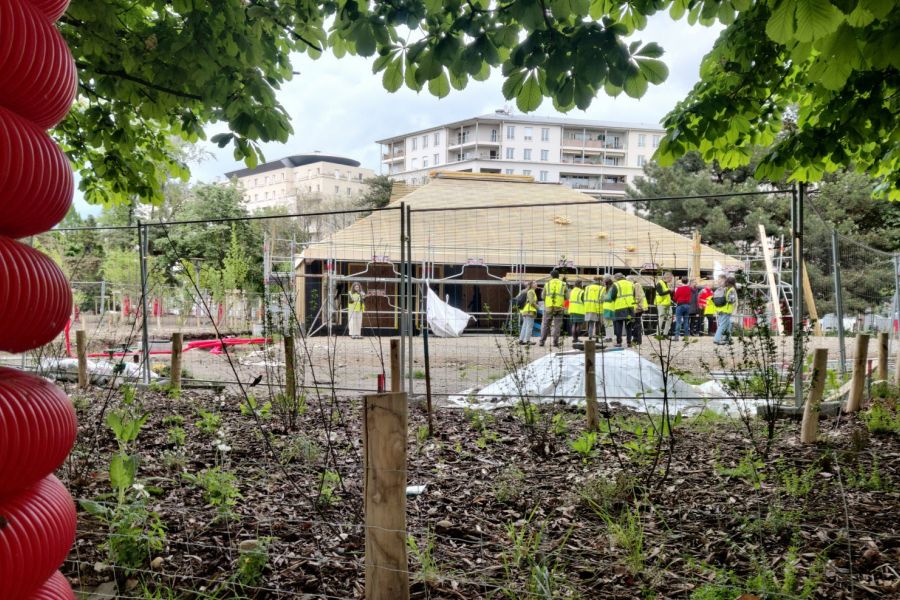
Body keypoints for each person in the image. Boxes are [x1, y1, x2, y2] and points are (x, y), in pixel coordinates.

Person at [539, 270, 566, 348]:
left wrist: (548, 300)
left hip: (549, 307)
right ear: (558, 276)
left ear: (551, 276)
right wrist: (565, 306)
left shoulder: (547, 284)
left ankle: (542, 341)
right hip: (559, 308)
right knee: (557, 326)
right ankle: (555, 342)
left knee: (545, 324)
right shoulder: (563, 284)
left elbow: (542, 296)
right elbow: (567, 297)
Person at [608, 273, 635, 347]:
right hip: (630, 307)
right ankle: (629, 342)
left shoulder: (616, 284)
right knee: (629, 325)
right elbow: (634, 295)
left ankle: (619, 342)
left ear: (617, 278)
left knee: (619, 325)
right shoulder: (631, 284)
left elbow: (612, 296)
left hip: (619, 307)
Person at [713, 276, 739, 345]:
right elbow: (731, 300)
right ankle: (717, 339)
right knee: (723, 325)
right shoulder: (731, 289)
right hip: (727, 310)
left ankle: (727, 338)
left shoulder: (725, 288)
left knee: (728, 325)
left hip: (721, 309)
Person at [672, 276, 693, 341]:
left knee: (678, 321)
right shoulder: (690, 289)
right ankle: (686, 337)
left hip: (680, 305)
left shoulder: (679, 289)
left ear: (681, 281)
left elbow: (675, 298)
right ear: (687, 281)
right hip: (687, 305)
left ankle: (676, 337)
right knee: (686, 322)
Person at [654, 272, 674, 337]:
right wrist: (669, 291)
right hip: (661, 304)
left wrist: (671, 291)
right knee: (661, 318)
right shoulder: (659, 283)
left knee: (670, 318)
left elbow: (667, 294)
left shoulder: (666, 284)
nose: (671, 280)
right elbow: (661, 293)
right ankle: (658, 334)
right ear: (667, 277)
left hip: (667, 304)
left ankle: (665, 333)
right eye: (671, 278)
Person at [630, 276, 647, 346]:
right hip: (639, 306)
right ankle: (637, 339)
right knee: (637, 324)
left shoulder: (636, 285)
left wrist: (635, 304)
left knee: (636, 324)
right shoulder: (637, 285)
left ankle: (636, 339)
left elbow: (638, 296)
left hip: (638, 307)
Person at [601, 277, 615, 341]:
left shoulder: (610, 289)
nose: (604, 284)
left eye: (604, 283)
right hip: (611, 307)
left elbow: (609, 298)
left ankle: (608, 336)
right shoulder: (611, 288)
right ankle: (611, 336)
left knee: (606, 323)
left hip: (607, 308)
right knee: (610, 323)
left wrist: (603, 298)